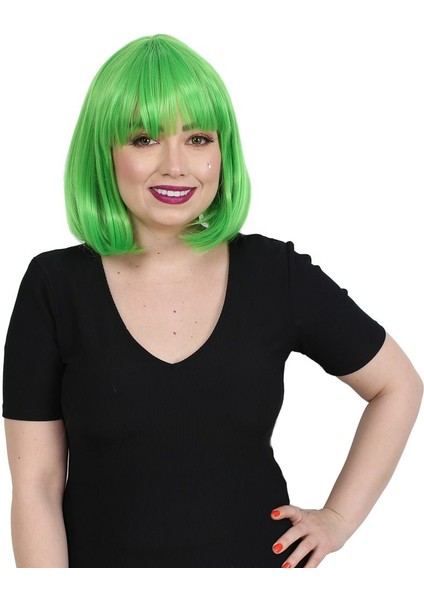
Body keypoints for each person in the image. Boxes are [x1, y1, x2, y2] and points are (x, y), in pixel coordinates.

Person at [2, 34, 422, 569]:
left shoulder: (275, 273)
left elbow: (397, 386)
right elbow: (35, 486)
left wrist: (338, 519)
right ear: (104, 153)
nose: (175, 165)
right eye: (144, 138)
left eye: (198, 138)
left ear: (222, 152)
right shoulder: (53, 285)